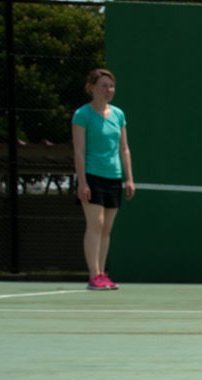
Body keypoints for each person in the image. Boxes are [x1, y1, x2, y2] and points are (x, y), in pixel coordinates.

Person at [71, 68, 135, 291]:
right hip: (92, 176)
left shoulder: (118, 114)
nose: (108, 90)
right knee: (95, 225)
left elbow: (124, 148)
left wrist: (129, 178)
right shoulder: (82, 115)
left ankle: (102, 274)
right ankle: (93, 275)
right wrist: (82, 182)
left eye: (111, 86)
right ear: (91, 88)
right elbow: (79, 150)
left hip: (114, 177)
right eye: (103, 86)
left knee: (106, 228)